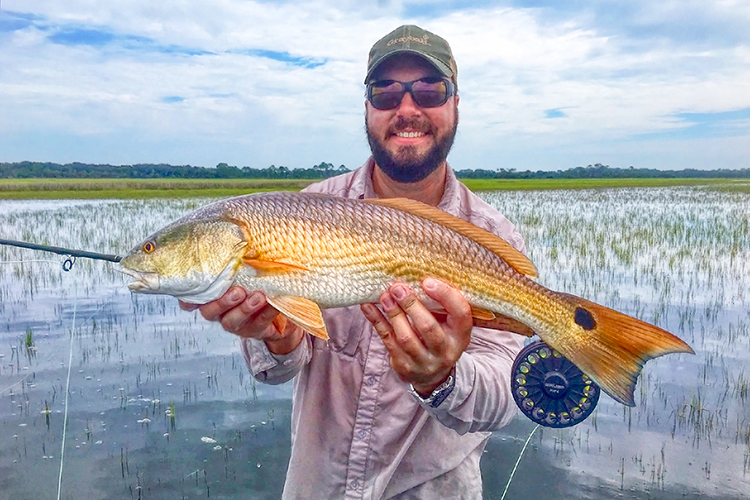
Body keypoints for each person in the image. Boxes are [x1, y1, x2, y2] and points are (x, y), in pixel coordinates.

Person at [184, 25, 527, 500]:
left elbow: (503, 394)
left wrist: (443, 378)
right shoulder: (304, 210)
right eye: (384, 92)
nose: (407, 108)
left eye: (429, 90)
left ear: (455, 104)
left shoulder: (492, 236)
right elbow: (277, 370)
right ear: (366, 108)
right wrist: (277, 337)